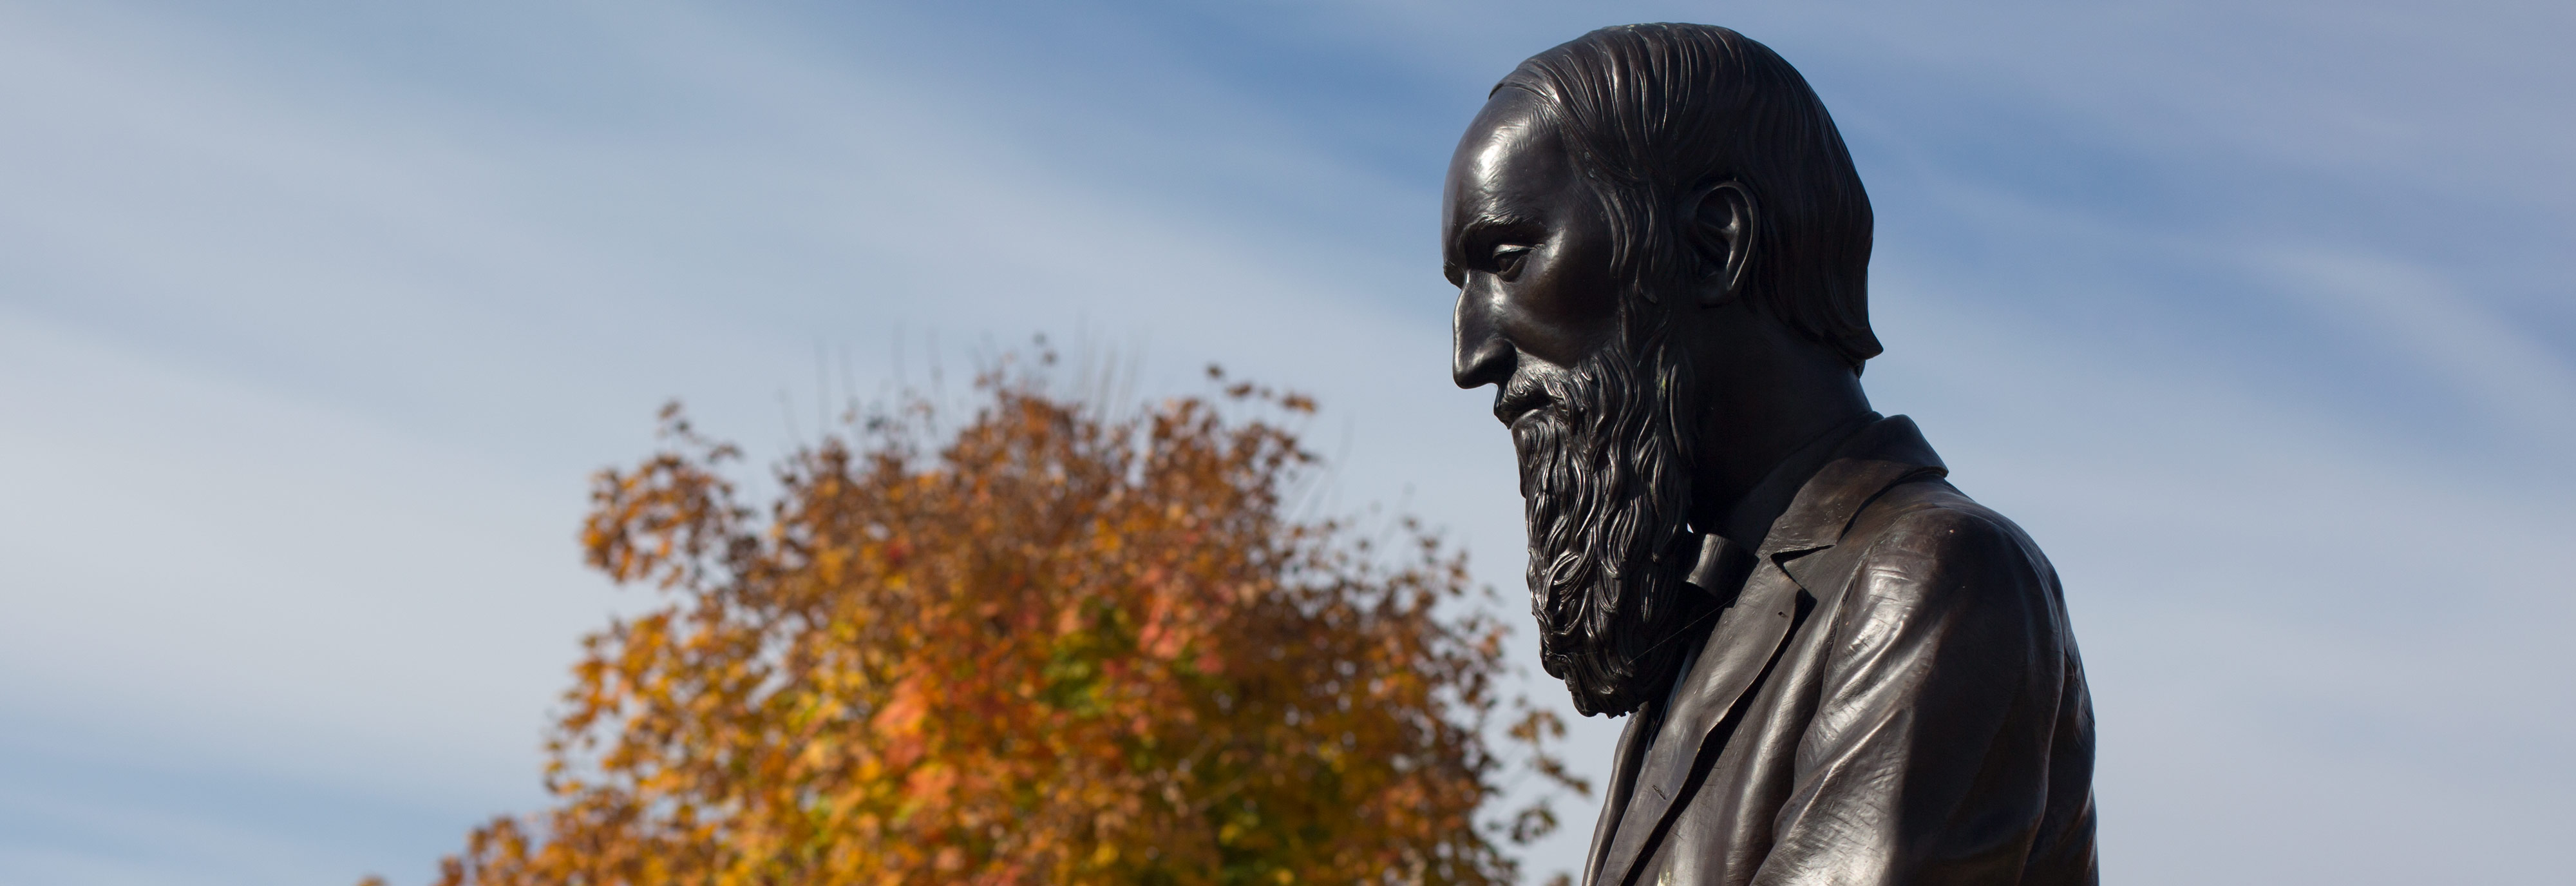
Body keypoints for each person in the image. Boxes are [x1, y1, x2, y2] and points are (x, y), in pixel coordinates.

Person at [1443, 23, 2098, 885]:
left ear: (1713, 245)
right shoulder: (1708, 625)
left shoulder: (1927, 580)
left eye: (1509, 258)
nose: (1470, 354)